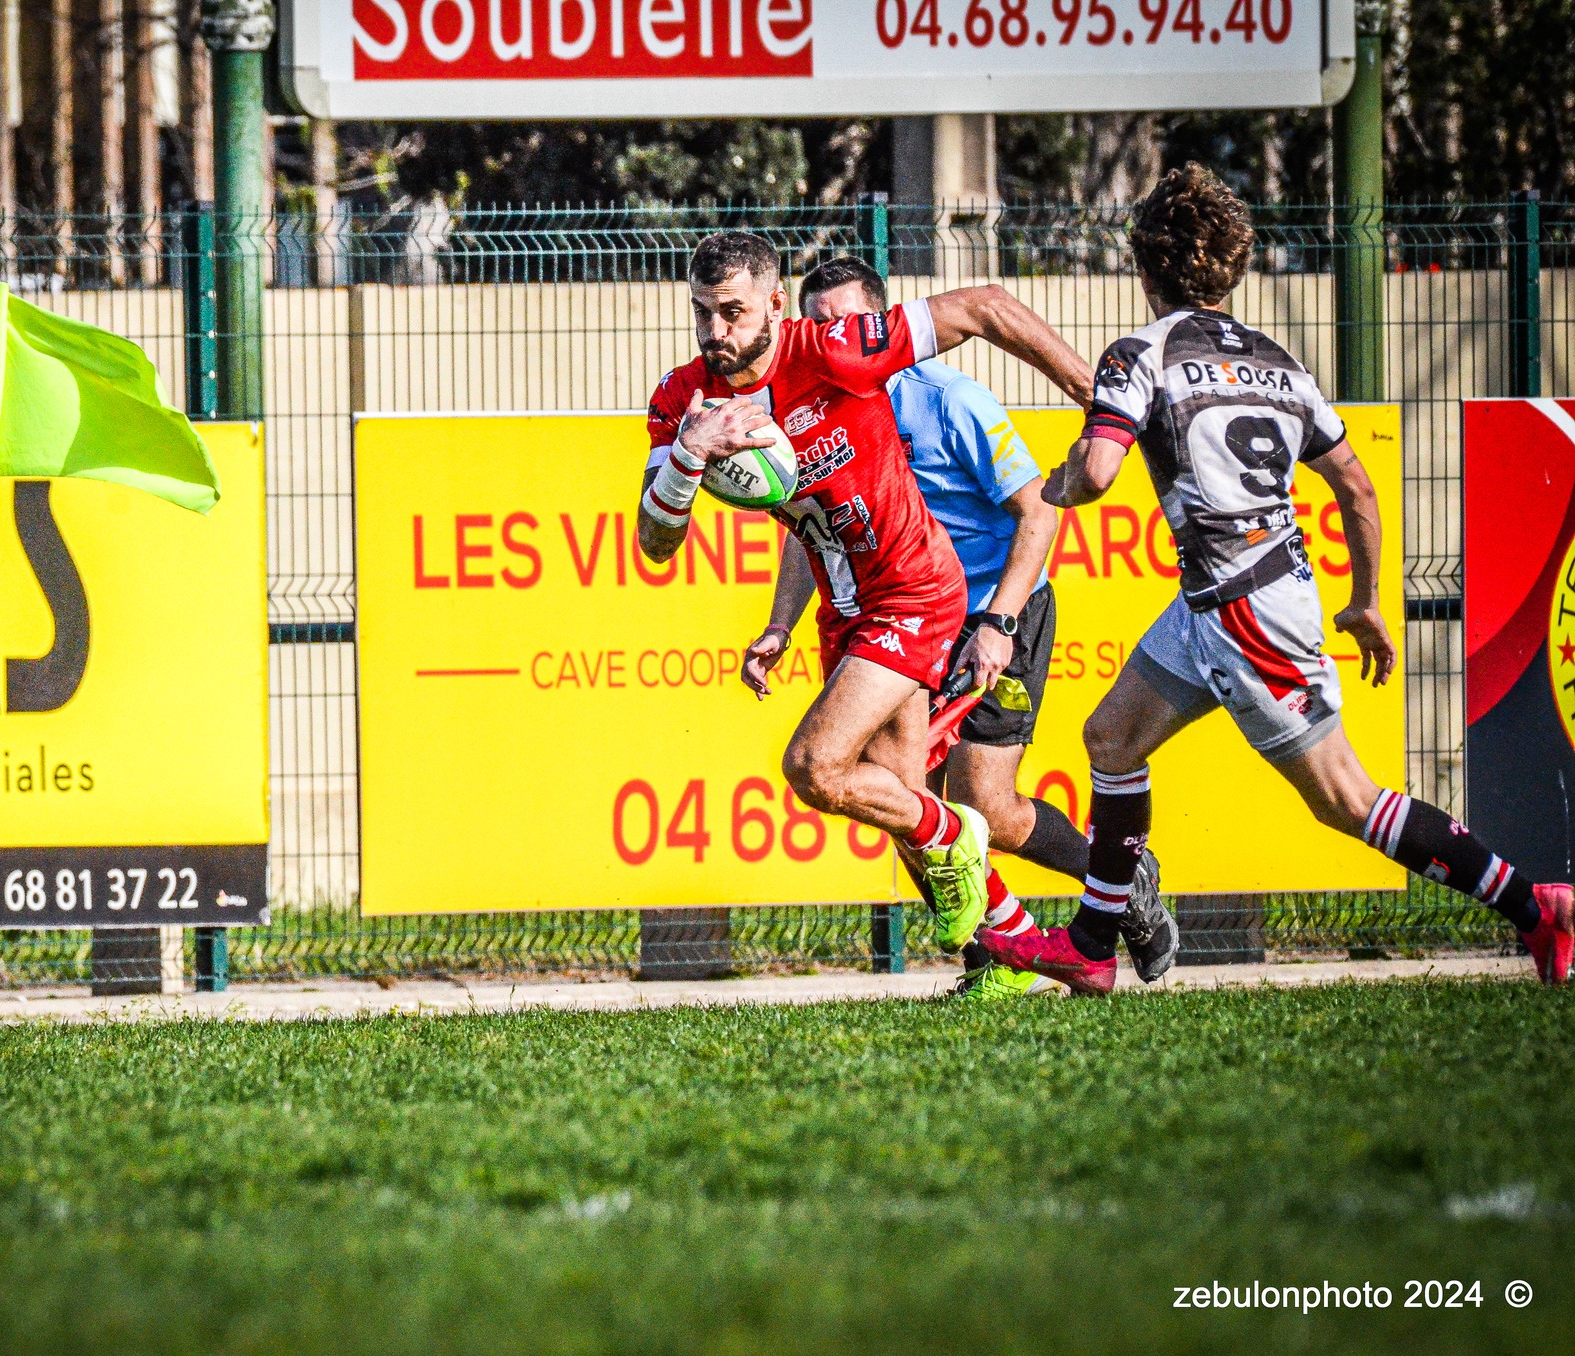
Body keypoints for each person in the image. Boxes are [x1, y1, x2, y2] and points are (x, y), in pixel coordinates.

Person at [980, 162, 1575, 993]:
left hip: (1244, 610)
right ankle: (1091, 945)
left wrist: (1063, 482)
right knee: (1111, 737)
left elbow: (1100, 472)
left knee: (1344, 798)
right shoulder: (1277, 360)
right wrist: (1366, 601)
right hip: (1222, 598)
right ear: (1231, 267)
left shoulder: (1140, 354)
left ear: (1144, 268)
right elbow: (1356, 487)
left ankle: (1533, 905)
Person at [638, 231, 1095, 966]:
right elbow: (657, 543)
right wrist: (689, 456)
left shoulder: (834, 350)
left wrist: (1098, 403)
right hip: (846, 608)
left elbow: (986, 304)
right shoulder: (684, 401)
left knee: (816, 766)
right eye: (702, 312)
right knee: (898, 798)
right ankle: (1030, 951)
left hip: (916, 587)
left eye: (732, 312)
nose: (715, 331)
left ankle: (981, 844)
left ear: (776, 305)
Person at [740, 255, 1173, 997]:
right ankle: (992, 960)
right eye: (819, 326)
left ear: (880, 324)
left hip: (991, 608)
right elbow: (807, 527)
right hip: (900, 615)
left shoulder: (949, 399)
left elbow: (1038, 512)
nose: (834, 338)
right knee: (903, 799)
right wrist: (780, 625)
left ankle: (1121, 874)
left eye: (849, 322)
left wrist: (999, 621)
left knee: (985, 808)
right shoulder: (807, 412)